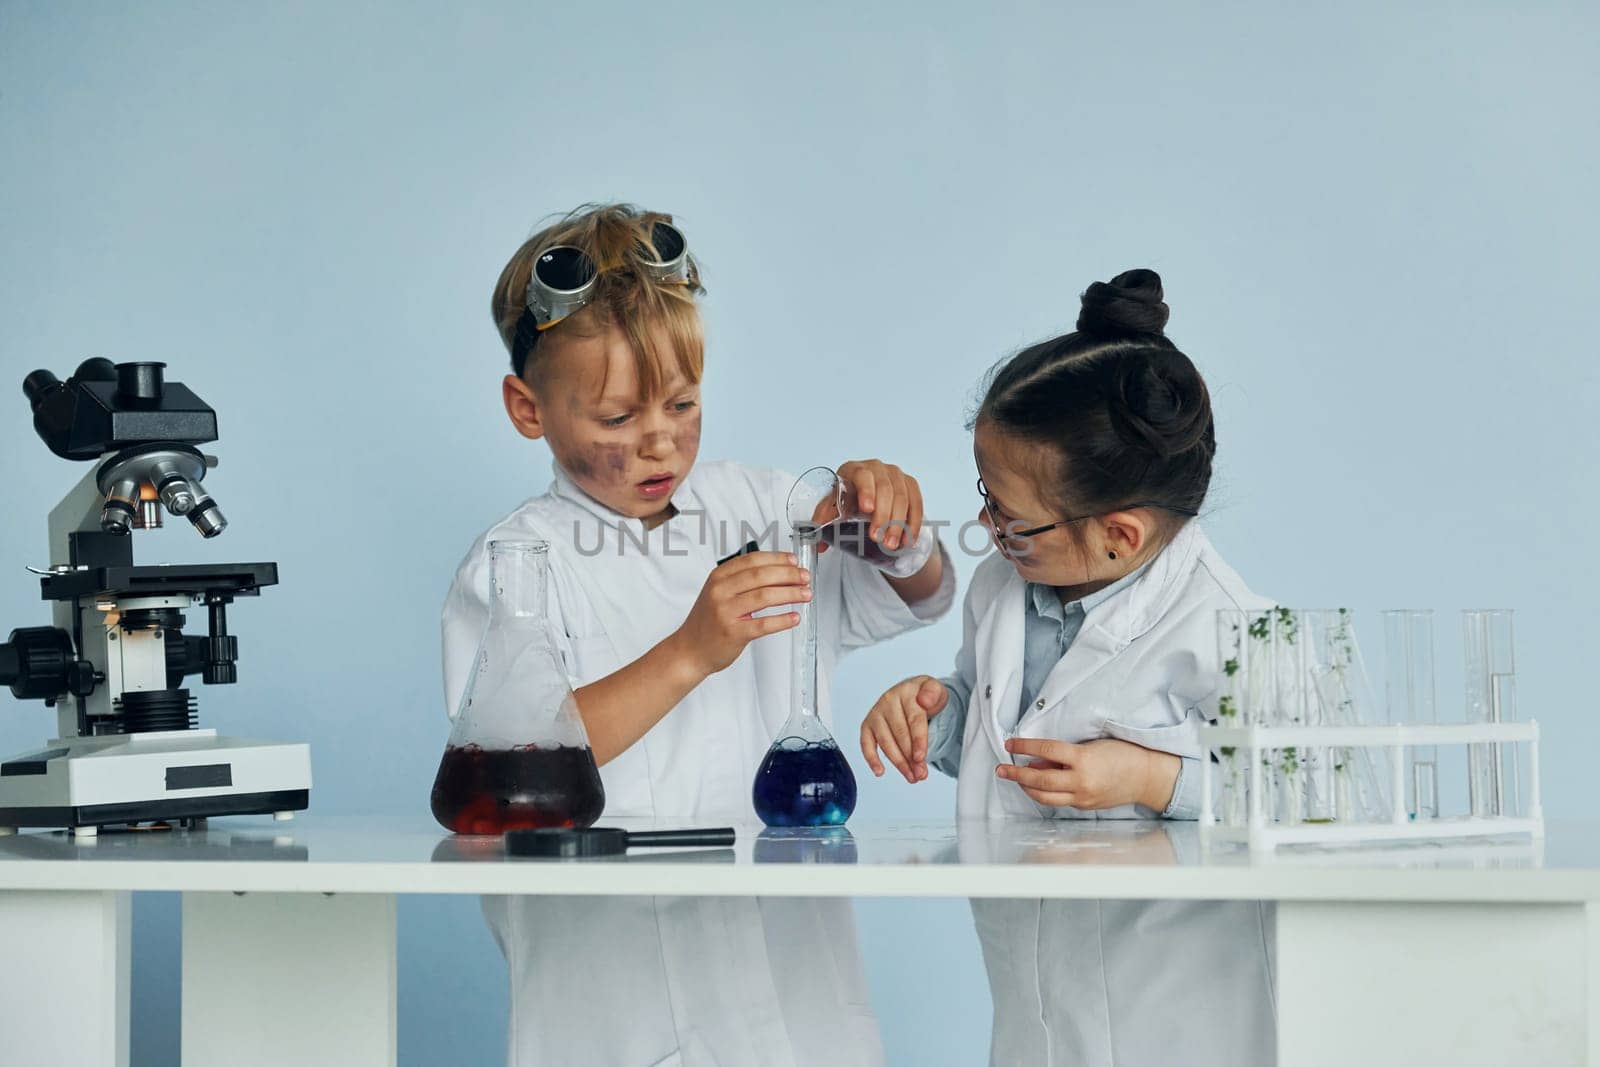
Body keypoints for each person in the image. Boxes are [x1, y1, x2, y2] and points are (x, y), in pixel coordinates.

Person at [442, 203, 954, 1066]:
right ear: (527, 408)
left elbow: (922, 597)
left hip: (794, 988)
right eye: (614, 418)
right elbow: (513, 771)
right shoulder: (515, 562)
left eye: (682, 403)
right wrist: (689, 653)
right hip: (613, 993)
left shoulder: (761, 505)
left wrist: (900, 532)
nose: (660, 441)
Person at [862, 269, 1276, 1066]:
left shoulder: (1227, 624)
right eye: (985, 493)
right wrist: (935, 713)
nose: (986, 526)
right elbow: (1000, 732)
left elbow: (1314, 797)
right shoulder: (1004, 586)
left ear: (1119, 536)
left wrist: (1149, 777)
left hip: (1184, 1014)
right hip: (1034, 1005)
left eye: (1010, 518)